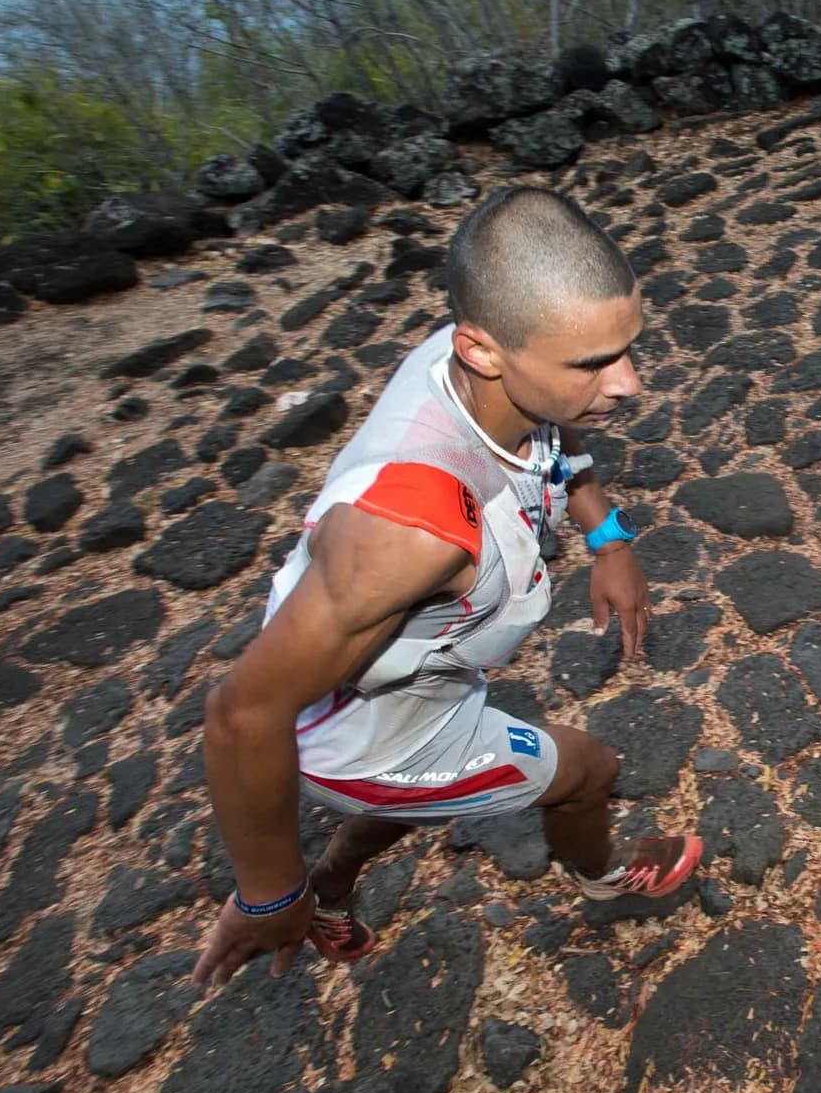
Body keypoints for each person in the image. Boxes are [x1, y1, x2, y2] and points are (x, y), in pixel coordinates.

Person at [192, 186, 702, 986]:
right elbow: (239, 714)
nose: (629, 383)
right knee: (591, 771)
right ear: (483, 350)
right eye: (596, 364)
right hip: (369, 735)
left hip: (416, 684)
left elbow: (552, 416)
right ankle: (606, 880)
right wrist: (265, 893)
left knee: (440, 783)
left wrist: (605, 533)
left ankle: (334, 882)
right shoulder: (410, 532)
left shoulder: (491, 356)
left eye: (627, 347)